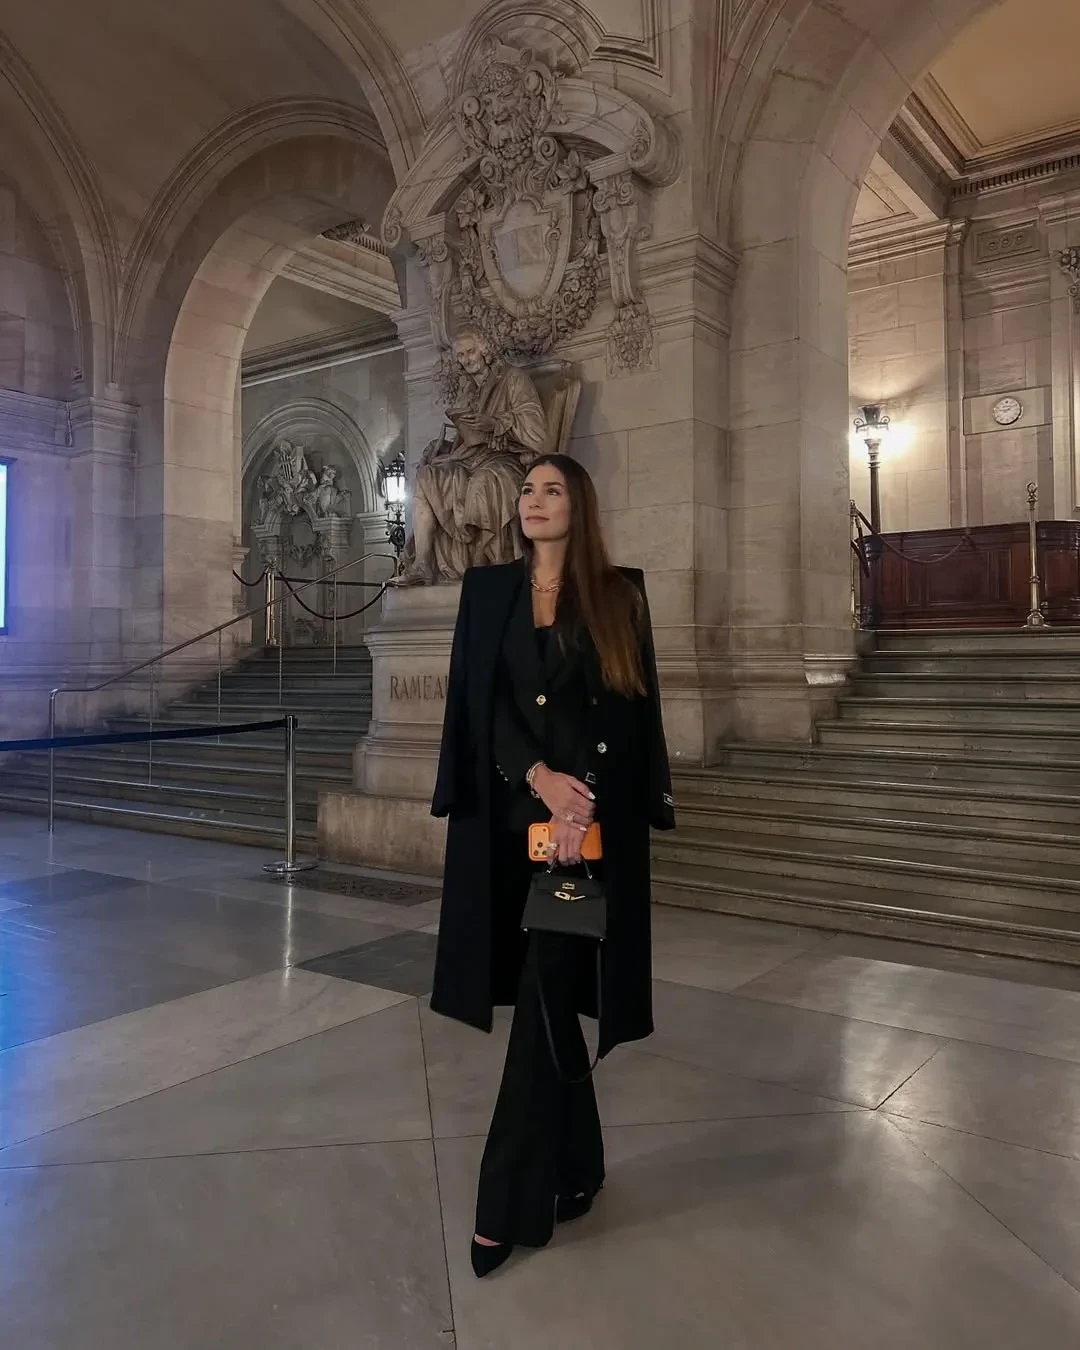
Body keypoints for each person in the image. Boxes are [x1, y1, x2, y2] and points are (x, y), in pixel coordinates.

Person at [429, 453, 676, 1278]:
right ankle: (580, 1164)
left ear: (580, 506)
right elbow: (483, 704)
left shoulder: (618, 595)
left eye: (552, 489)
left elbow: (627, 712)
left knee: (544, 995)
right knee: (548, 1001)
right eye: (528, 490)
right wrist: (537, 779)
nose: (533, 501)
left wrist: (582, 803)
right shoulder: (487, 592)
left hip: (587, 837)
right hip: (507, 826)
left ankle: (502, 1205)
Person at [395, 329, 548, 585]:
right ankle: (422, 564)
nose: (466, 359)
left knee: (482, 484)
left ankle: (481, 567)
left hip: (505, 459)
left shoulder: (512, 379)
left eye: (471, 352)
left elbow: (536, 428)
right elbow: (466, 438)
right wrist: (441, 446)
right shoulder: (468, 391)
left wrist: (496, 424)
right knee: (426, 476)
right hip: (470, 459)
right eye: (461, 355)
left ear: (485, 350)